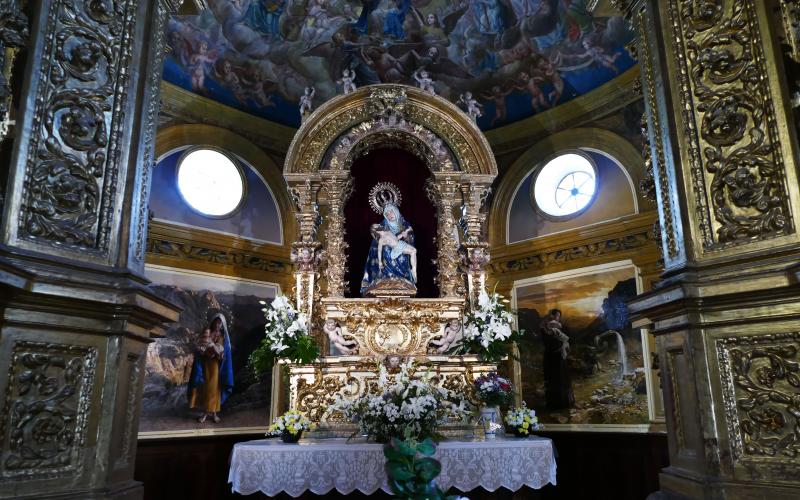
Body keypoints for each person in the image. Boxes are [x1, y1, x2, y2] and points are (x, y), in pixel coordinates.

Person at [360, 203, 417, 295]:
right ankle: (387, 278)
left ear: (396, 212)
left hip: (402, 249)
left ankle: (405, 277)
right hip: (387, 255)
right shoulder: (383, 228)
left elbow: (410, 238)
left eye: (391, 212)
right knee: (386, 249)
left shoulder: (404, 224)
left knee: (411, 251)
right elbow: (376, 246)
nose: (390, 215)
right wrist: (380, 261)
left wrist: (407, 236)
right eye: (387, 214)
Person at [188, 313, 234, 423]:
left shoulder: (223, 337)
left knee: (214, 389)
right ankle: (204, 413)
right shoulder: (208, 333)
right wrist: (203, 351)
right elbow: (201, 345)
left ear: (222, 324)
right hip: (205, 364)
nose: (218, 324)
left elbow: (224, 352)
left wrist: (218, 354)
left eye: (219, 322)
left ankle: (214, 413)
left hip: (216, 366)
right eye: (216, 322)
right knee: (204, 387)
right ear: (213, 322)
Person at [540, 309, 574, 410]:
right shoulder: (544, 328)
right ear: (551, 315)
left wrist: (564, 344)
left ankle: (564, 403)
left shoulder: (560, 327)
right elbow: (548, 343)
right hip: (551, 358)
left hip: (559, 358)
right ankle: (553, 404)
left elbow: (565, 338)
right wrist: (560, 344)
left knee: (562, 379)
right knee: (552, 380)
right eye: (556, 315)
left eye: (558, 316)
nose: (557, 318)